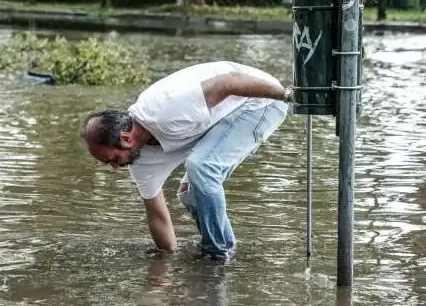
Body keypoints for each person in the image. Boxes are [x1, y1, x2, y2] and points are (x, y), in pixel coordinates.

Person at [79, 60, 293, 260]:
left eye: (112, 160)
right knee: (189, 193)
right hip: (224, 115)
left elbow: (230, 82)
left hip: (261, 100)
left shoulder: (165, 111)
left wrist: (287, 95)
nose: (116, 167)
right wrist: (167, 261)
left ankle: (216, 256)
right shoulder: (141, 164)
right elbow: (157, 217)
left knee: (202, 167)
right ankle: (227, 248)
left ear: (126, 139)